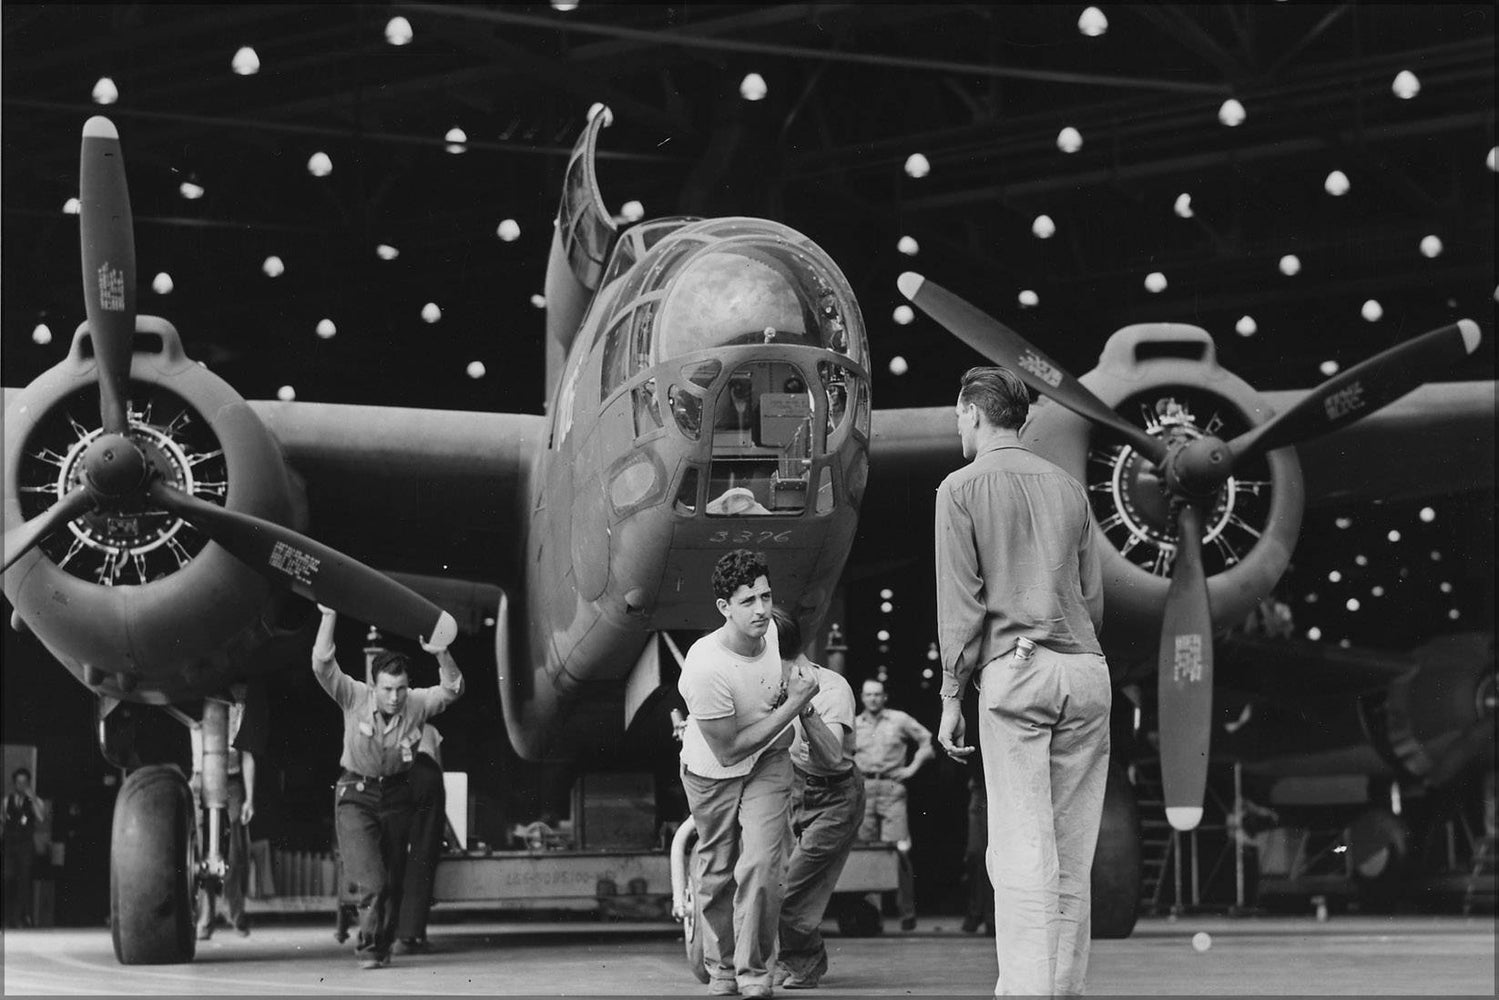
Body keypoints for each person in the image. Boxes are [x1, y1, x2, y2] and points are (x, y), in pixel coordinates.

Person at [934, 365, 1111, 997]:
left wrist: (952, 698)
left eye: (959, 416)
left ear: (975, 415)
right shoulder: (1068, 488)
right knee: (1070, 851)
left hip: (1017, 672)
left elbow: (962, 610)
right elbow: (1094, 600)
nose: (958, 425)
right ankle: (1061, 990)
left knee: (1020, 850)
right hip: (1085, 672)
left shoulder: (958, 489)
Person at [678, 549, 819, 999]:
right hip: (712, 771)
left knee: (761, 863)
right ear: (724, 608)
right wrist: (796, 703)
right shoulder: (704, 667)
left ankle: (754, 972)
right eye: (747, 601)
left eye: (765, 596)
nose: (761, 609)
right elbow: (727, 750)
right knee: (717, 872)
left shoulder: (773, 631)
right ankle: (721, 968)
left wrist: (788, 698)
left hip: (768, 760)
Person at [312, 605, 464, 971]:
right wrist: (330, 618)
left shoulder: (415, 704)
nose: (394, 698)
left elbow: (453, 688)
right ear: (374, 684)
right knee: (373, 881)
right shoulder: (354, 697)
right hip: (356, 796)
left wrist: (442, 653)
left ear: (407, 687)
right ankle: (368, 948)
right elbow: (322, 665)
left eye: (400, 689)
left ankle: (382, 947)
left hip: (397, 795)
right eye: (387, 689)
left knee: (392, 879)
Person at [771, 606, 863, 991]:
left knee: (793, 890)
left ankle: (806, 964)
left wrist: (803, 705)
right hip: (797, 791)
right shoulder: (770, 684)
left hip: (835, 797)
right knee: (773, 886)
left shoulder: (831, 689)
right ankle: (790, 960)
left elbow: (833, 757)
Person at [853, 678, 934, 930]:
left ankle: (906, 911)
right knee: (865, 851)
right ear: (862, 698)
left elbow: (927, 741)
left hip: (891, 787)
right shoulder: (855, 724)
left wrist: (911, 769)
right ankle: (871, 915)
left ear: (884, 697)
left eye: (878, 694)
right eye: (869, 695)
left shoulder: (899, 719)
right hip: (865, 788)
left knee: (898, 850)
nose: (873, 699)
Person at [189, 684, 258, 939]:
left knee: (235, 854)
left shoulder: (239, 711)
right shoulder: (195, 702)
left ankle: (236, 914)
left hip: (231, 782)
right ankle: (205, 919)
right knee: (199, 852)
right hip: (200, 780)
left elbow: (247, 755)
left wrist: (249, 798)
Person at [395, 724, 447, 953]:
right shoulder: (430, 728)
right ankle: (411, 935)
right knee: (423, 854)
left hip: (394, 775)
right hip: (427, 774)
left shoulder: (386, 725)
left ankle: (386, 932)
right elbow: (439, 767)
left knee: (392, 853)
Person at [3, 768, 45, 929]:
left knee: (24, 881)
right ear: (14, 784)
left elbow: (41, 817)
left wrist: (33, 798)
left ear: (29, 783)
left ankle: (21, 917)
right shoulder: (7, 800)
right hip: (9, 845)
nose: (21, 785)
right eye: (18, 782)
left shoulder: (36, 800)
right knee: (7, 879)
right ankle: (7, 918)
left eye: (24, 782)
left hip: (25, 846)